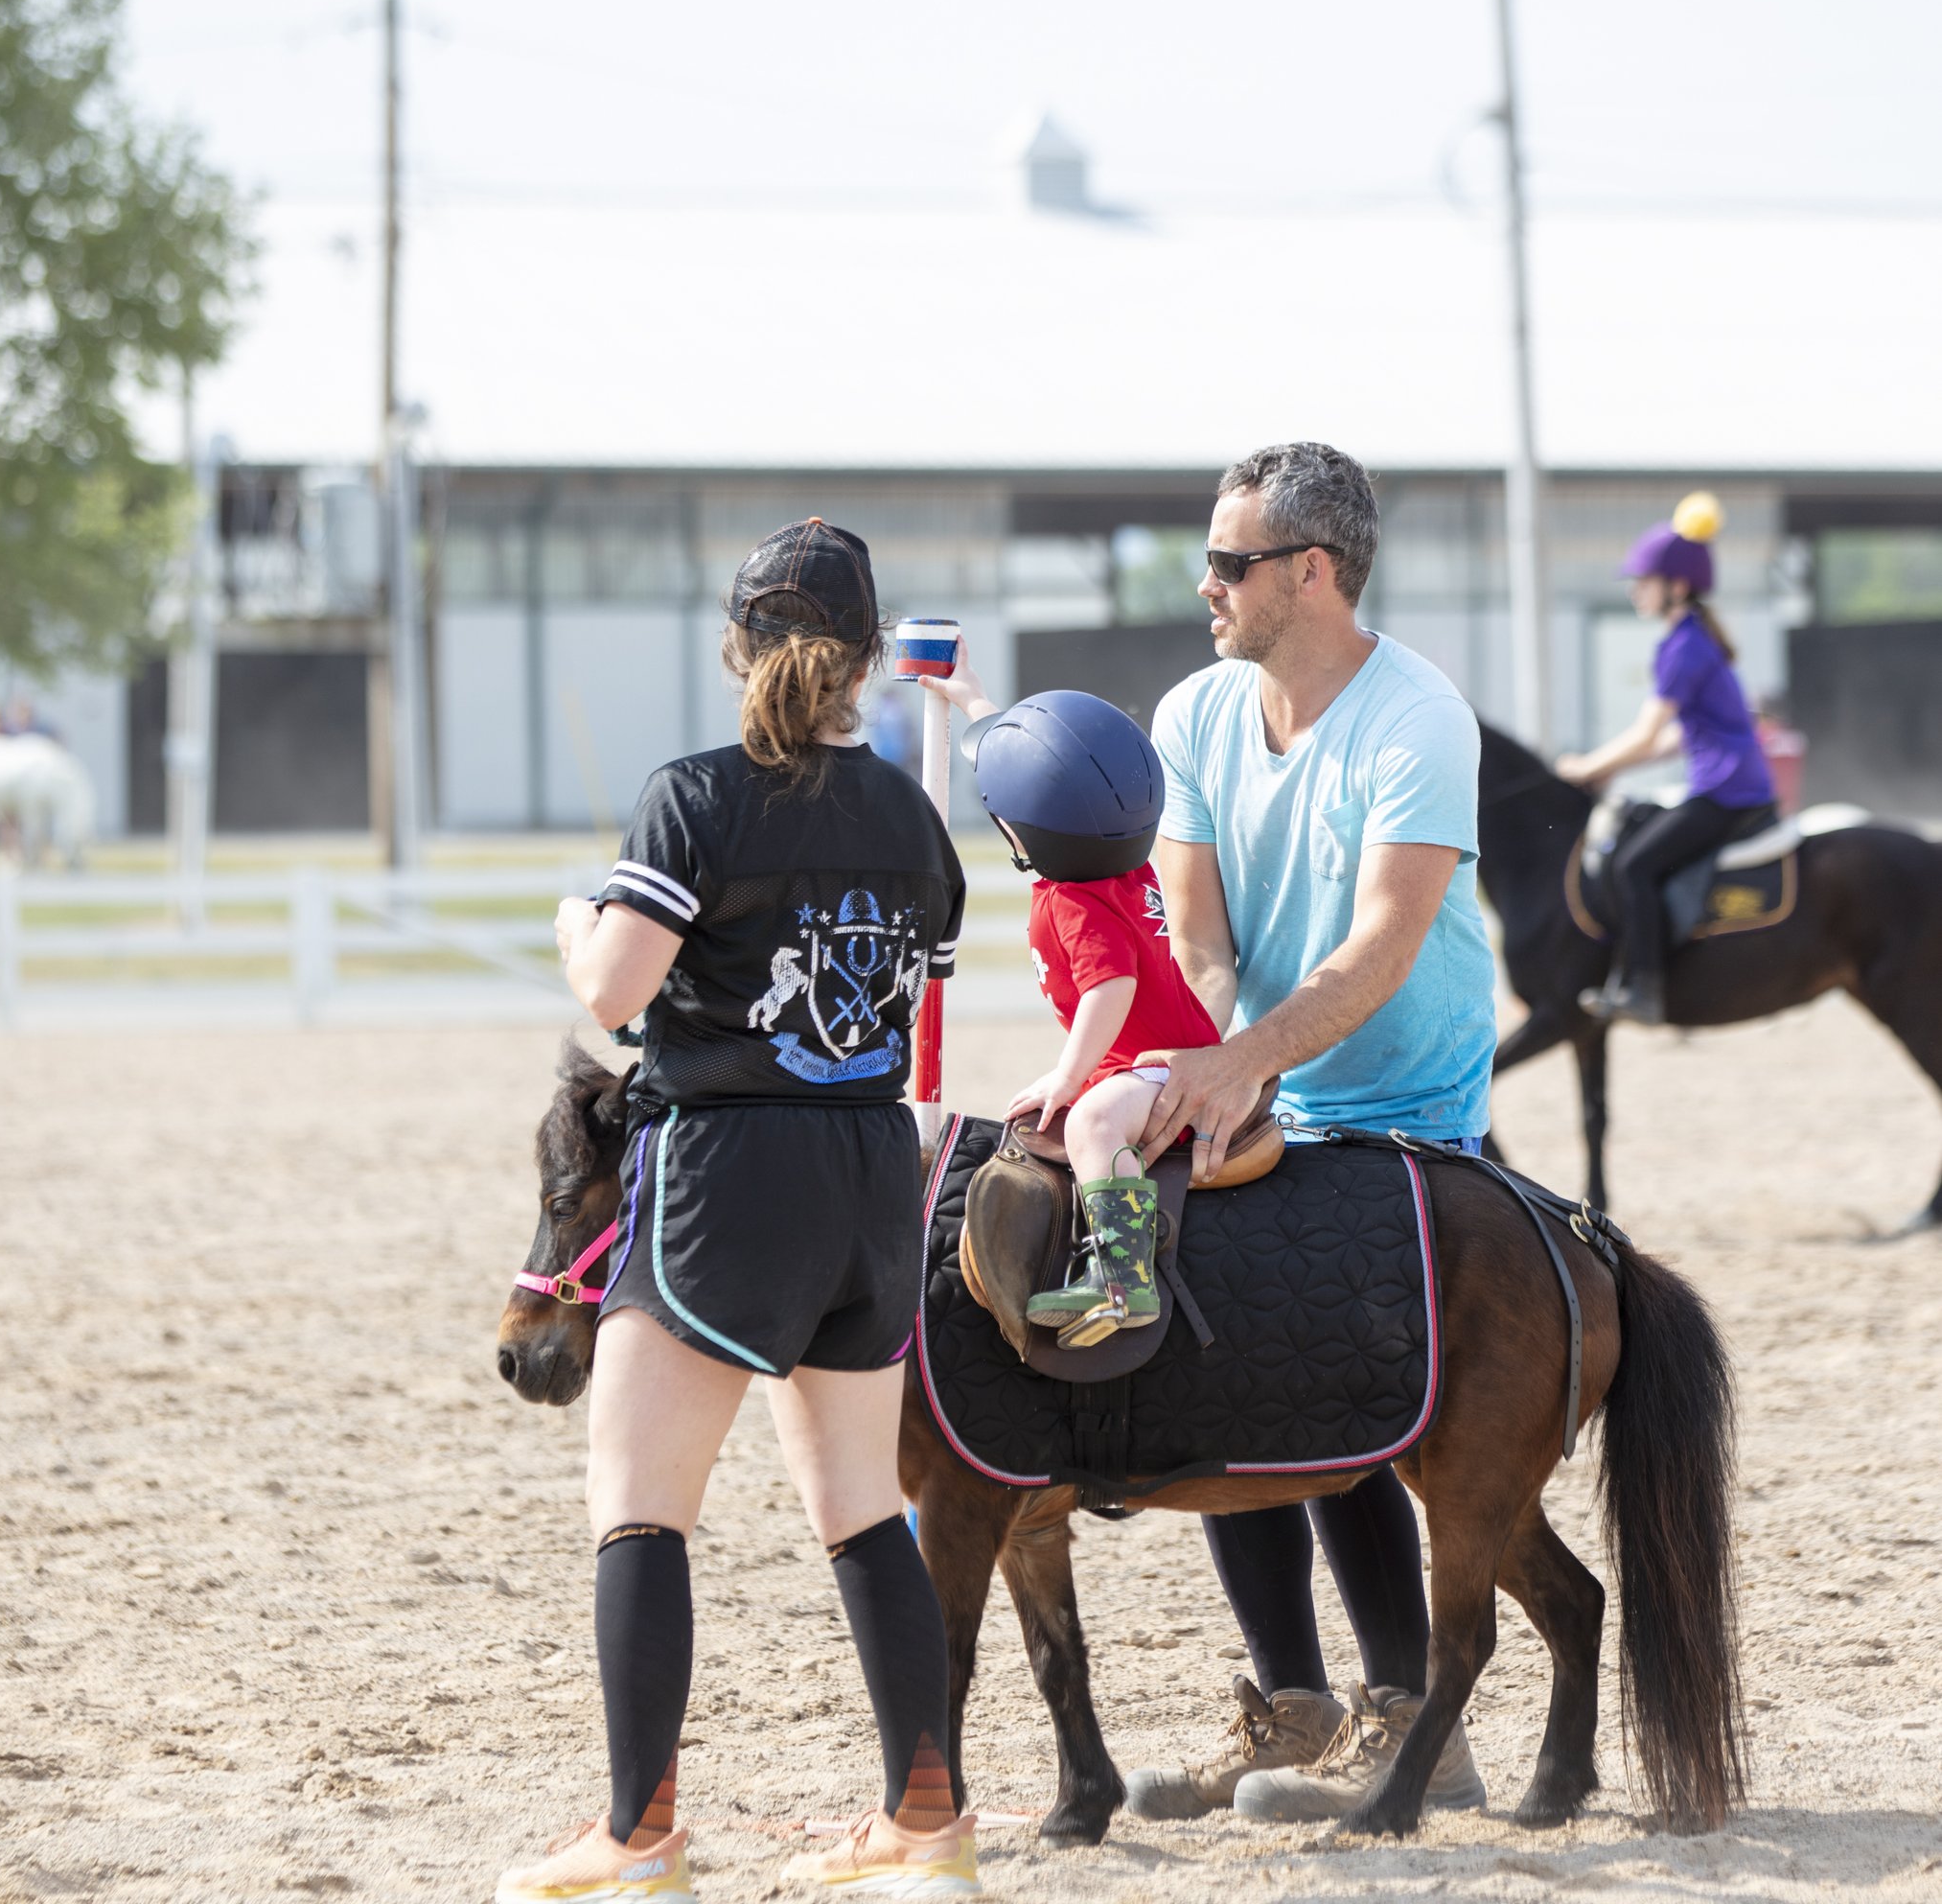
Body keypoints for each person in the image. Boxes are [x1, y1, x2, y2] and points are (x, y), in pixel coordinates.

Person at [497, 519, 980, 1903]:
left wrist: (575, 924)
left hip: (728, 1174)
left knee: (640, 1509)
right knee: (862, 1511)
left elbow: (614, 993)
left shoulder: (693, 795)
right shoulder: (915, 818)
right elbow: (924, 981)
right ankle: (925, 1820)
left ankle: (638, 1835)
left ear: (737, 648)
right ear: (866, 659)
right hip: (869, 1175)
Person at [1120, 441, 1493, 1823]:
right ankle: (1292, 1708)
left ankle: (1417, 1729)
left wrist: (1247, 1064)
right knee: (1211, 1373)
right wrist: (1181, 1073)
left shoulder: (1418, 719)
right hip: (1266, 1086)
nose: (1205, 584)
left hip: (1408, 1111)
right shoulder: (1193, 712)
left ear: (1313, 572)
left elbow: (1382, 945)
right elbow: (1199, 943)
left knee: (1330, 1393)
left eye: (1230, 562)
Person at [911, 675, 1221, 1343]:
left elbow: (1113, 988)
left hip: (1159, 1068)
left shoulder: (1078, 902)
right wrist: (973, 699)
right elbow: (1043, 763)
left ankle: (1122, 1278)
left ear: (1024, 829)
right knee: (1086, 1112)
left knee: (1090, 1124)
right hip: (1147, 1055)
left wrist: (1069, 1077)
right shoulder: (1113, 855)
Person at [1553, 494, 1777, 1026]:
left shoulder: (1682, 647)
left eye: (1644, 580)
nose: (1635, 589)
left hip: (1726, 792)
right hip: (1728, 785)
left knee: (1632, 866)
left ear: (1676, 586)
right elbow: (1671, 740)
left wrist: (1586, 768)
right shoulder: (1694, 639)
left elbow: (1646, 732)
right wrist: (1610, 768)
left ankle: (1644, 990)